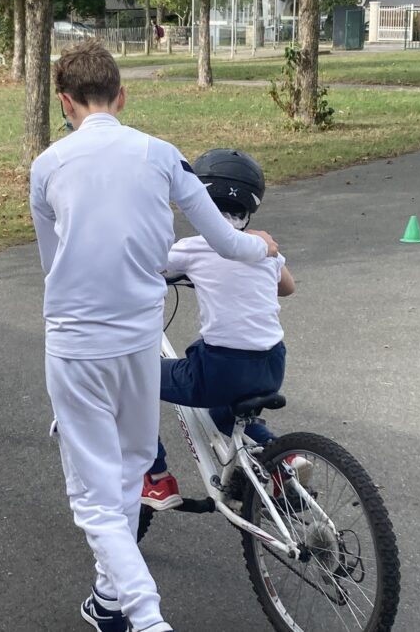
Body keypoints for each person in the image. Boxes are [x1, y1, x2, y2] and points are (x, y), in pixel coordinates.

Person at [29, 39, 277, 632]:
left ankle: (145, 616)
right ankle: (111, 602)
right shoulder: (163, 155)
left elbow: (52, 261)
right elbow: (226, 241)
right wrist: (262, 246)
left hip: (76, 345)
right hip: (139, 343)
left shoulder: (47, 167)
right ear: (122, 95)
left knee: (94, 496)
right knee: (131, 468)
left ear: (65, 103)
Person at [139, 149, 297, 511]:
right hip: (271, 365)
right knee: (225, 412)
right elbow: (287, 288)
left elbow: (146, 264)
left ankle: (156, 476)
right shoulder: (262, 245)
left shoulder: (195, 248)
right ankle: (281, 460)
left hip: (222, 370)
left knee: (130, 378)